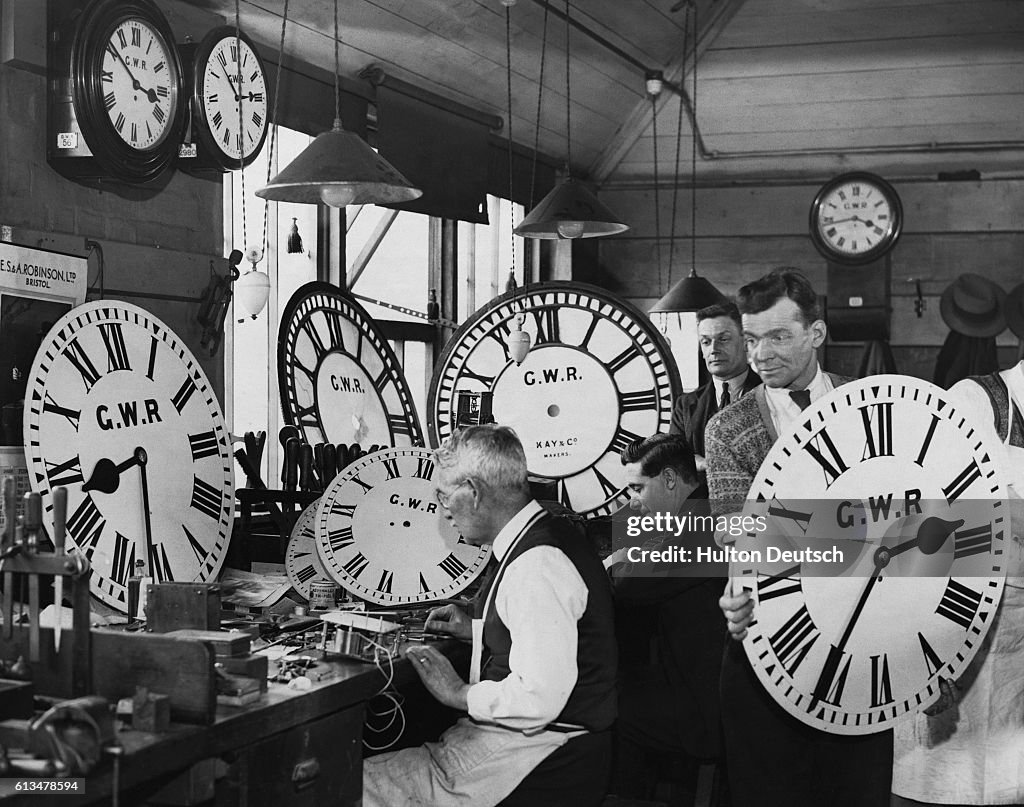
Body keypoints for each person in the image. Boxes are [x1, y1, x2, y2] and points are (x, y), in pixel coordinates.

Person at [704, 267, 893, 806]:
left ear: (817, 333)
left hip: (864, 651)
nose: (760, 354)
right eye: (753, 337)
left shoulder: (875, 408)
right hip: (765, 645)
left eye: (779, 336)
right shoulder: (730, 428)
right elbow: (739, 534)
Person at [362, 424, 617, 807]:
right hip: (545, 743)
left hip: (542, 752)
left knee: (349, 783)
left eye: (445, 496)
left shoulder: (537, 562)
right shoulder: (544, 536)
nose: (442, 510)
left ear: (475, 492)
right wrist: (480, 631)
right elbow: (550, 635)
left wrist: (458, 692)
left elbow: (537, 699)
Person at [892, 358, 1024, 806]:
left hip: (1017, 652)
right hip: (963, 629)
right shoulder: (976, 401)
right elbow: (983, 516)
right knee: (947, 784)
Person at [604, 434, 726, 801]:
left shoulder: (703, 520)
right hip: (698, 683)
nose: (633, 501)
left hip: (709, 710)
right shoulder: (696, 507)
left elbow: (629, 585)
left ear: (670, 479)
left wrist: (615, 562)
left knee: (607, 709)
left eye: (638, 488)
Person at [670, 301, 760, 473]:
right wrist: (701, 464)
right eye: (705, 342)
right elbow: (672, 458)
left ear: (746, 342)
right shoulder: (685, 406)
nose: (713, 349)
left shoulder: (772, 396)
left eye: (723, 339)